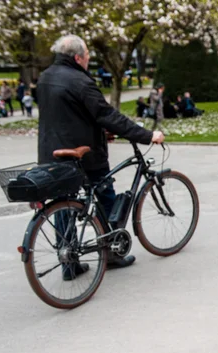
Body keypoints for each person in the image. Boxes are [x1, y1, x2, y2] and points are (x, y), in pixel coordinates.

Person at [38, 35, 165, 276]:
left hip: (51, 152)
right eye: (87, 57)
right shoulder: (79, 81)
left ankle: (69, 264)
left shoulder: (46, 77)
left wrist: (97, 130)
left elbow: (67, 113)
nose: (88, 61)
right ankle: (111, 254)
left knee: (63, 205)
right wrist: (147, 135)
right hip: (84, 155)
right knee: (105, 195)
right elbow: (107, 114)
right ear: (77, 58)